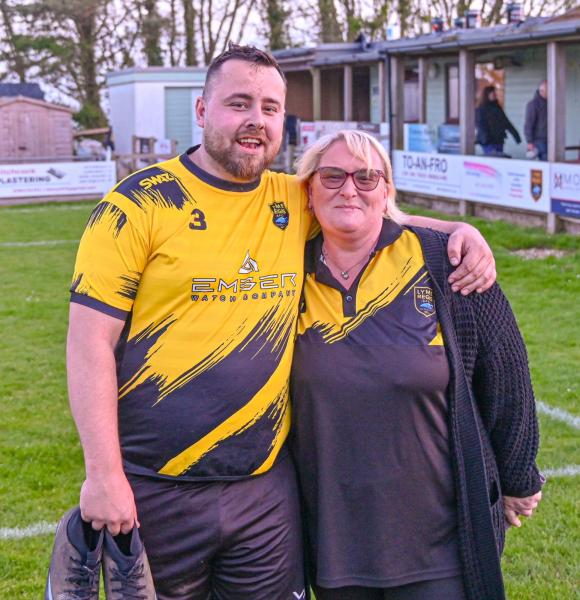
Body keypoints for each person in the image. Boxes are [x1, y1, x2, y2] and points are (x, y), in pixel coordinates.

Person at [66, 44, 497, 599]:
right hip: (158, 488)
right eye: (239, 104)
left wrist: (460, 232)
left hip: (265, 493)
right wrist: (103, 475)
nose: (257, 120)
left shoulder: (293, 198)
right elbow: (89, 344)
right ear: (201, 110)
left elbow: (374, 212)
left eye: (270, 108)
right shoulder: (137, 205)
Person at [290, 129, 544, 600]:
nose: (350, 189)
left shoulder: (446, 262)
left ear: (386, 189)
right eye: (332, 176)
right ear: (308, 190)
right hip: (334, 543)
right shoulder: (284, 272)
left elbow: (507, 376)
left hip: (440, 544)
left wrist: (518, 476)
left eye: (367, 177)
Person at [475, 85, 521, 156]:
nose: (495, 96)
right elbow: (481, 125)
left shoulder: (497, 108)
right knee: (492, 158)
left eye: (495, 94)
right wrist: (486, 140)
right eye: (493, 94)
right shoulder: (481, 109)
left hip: (499, 140)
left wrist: (516, 135)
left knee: (499, 159)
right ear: (487, 95)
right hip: (488, 142)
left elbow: (506, 122)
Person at [524, 80, 548, 161]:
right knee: (545, 162)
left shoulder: (551, 103)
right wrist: (530, 142)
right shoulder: (533, 105)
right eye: (548, 90)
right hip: (539, 141)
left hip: (550, 140)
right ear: (542, 91)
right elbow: (528, 124)